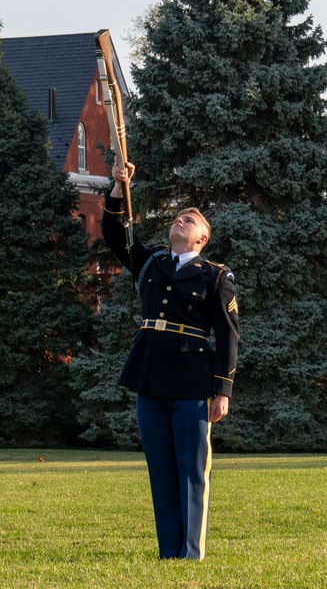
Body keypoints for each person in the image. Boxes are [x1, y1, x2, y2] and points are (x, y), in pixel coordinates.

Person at [103, 161, 239, 560]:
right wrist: (117, 185)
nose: (181, 219)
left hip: (191, 380)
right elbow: (113, 232)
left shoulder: (216, 276)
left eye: (190, 219)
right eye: (178, 216)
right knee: (161, 471)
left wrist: (222, 390)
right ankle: (169, 553)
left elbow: (228, 335)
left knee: (192, 470)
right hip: (149, 376)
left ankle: (191, 552)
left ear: (202, 238)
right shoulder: (150, 262)